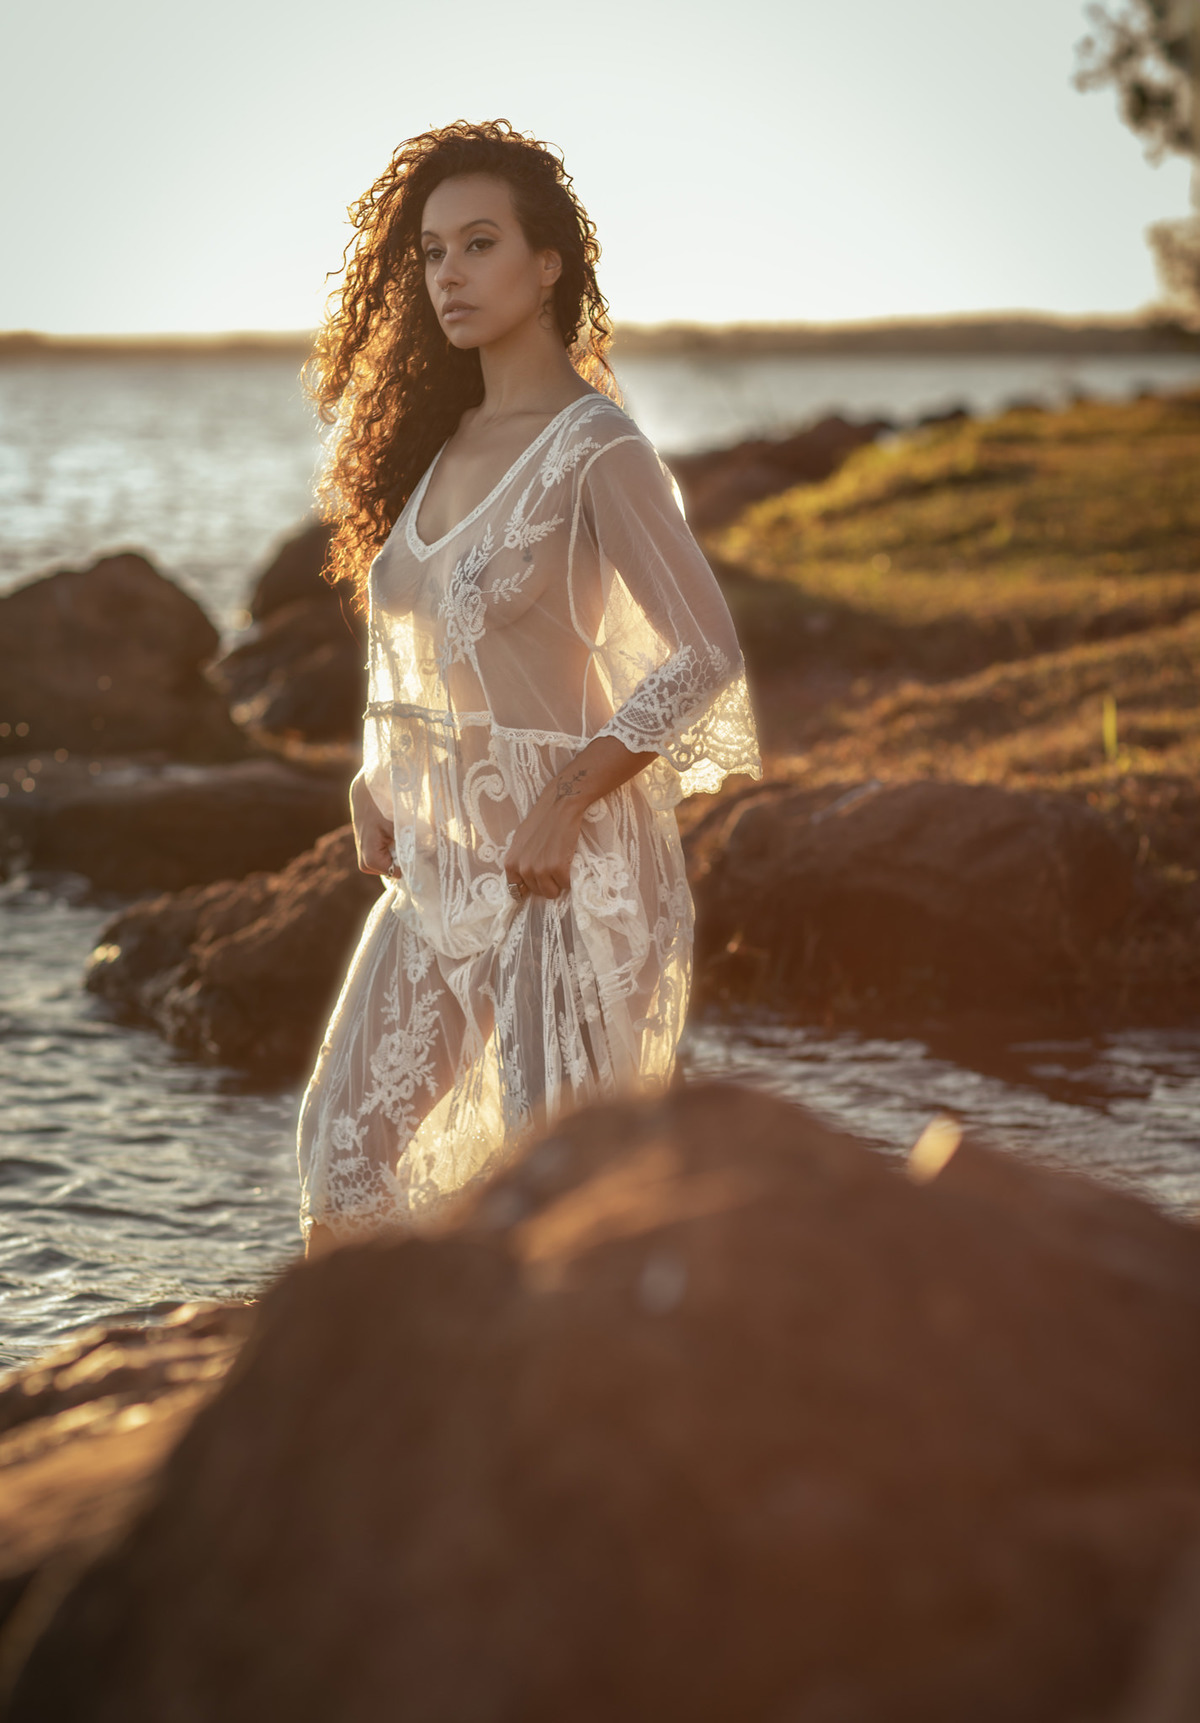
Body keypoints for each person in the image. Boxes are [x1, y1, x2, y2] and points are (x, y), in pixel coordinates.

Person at [296, 119, 762, 1258]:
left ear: (547, 262)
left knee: (554, 1211)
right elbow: (420, 642)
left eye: (480, 244)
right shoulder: (442, 439)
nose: (450, 274)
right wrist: (372, 771)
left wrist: (566, 799)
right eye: (433, 253)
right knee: (341, 1151)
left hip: (561, 878)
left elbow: (703, 651)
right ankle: (393, 1426)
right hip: (441, 870)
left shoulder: (597, 447)